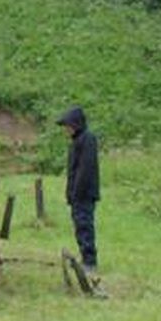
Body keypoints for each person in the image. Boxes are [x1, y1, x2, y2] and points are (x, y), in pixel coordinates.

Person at [57, 106, 101, 284]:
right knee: (79, 226)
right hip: (77, 194)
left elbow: (85, 170)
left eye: (68, 125)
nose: (66, 130)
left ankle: (90, 261)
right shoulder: (77, 141)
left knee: (84, 226)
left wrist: (76, 193)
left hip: (84, 193)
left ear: (76, 124)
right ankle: (85, 257)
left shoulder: (87, 139)